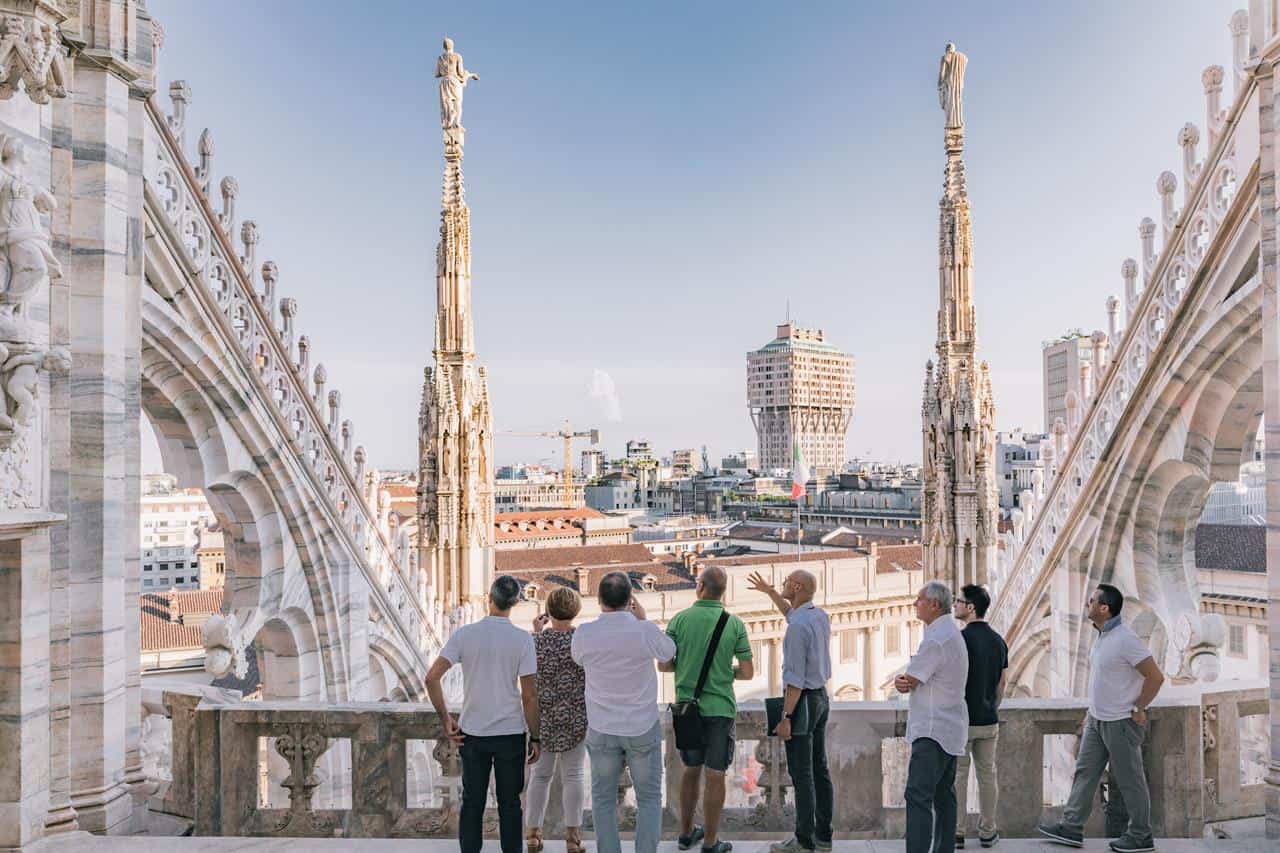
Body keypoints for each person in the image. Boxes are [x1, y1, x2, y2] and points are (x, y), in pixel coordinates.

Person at [1037, 584, 1165, 853]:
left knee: (1131, 780)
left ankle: (1141, 835)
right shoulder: (1102, 636)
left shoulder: (1125, 639)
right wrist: (1089, 715)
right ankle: (1071, 827)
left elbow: (1155, 677)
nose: (1087, 603)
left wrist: (1140, 707)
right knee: (1085, 773)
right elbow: (1102, 680)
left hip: (1121, 722)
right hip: (1097, 720)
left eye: (1092, 600)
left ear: (1104, 608)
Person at [425, 575, 539, 853]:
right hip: (510, 734)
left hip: (472, 733)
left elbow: (431, 678)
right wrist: (535, 737)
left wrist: (445, 720)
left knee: (472, 802)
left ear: (490, 598)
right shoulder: (523, 640)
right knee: (510, 804)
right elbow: (529, 696)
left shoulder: (465, 634)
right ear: (515, 604)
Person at [571, 571, 676, 853]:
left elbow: (577, 658)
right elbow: (668, 652)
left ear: (599, 600)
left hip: (602, 727)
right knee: (650, 798)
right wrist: (642, 619)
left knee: (603, 799)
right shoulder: (645, 631)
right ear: (630, 599)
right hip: (641, 727)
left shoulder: (585, 633)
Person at [661, 565, 754, 853]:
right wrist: (725, 674)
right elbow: (748, 672)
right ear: (722, 591)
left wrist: (686, 667)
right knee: (716, 775)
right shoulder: (734, 624)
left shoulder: (679, 620)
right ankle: (711, 841)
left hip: (688, 710)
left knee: (691, 770)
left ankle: (686, 833)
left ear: (700, 586)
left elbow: (663, 664)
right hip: (720, 709)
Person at [746, 569, 832, 853]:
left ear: (796, 587)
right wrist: (771, 592)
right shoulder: (818, 616)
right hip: (821, 698)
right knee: (819, 770)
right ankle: (823, 837)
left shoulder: (798, 627)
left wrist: (785, 718)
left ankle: (804, 841)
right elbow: (790, 613)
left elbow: (794, 679)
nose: (782, 584)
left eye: (785, 583)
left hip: (802, 701)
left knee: (802, 774)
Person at [894, 581, 968, 853]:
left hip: (932, 730)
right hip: (949, 726)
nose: (915, 604)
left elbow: (908, 680)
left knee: (918, 796)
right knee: (944, 796)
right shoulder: (950, 631)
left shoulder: (936, 638)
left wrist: (899, 680)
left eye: (919, 600)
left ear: (934, 605)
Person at [525, 587, 588, 853]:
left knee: (540, 777)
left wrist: (537, 632)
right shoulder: (582, 641)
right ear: (575, 612)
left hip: (544, 717)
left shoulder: (534, 642)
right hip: (575, 716)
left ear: (549, 612)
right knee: (573, 776)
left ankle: (533, 835)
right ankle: (573, 840)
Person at [952, 584, 1007, 849]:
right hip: (988, 720)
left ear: (971, 607)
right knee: (988, 777)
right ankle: (987, 832)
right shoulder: (998, 640)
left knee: (959, 777)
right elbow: (1001, 685)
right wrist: (991, 707)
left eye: (960, 601)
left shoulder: (960, 640)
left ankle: (958, 832)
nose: (956, 605)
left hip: (963, 720)